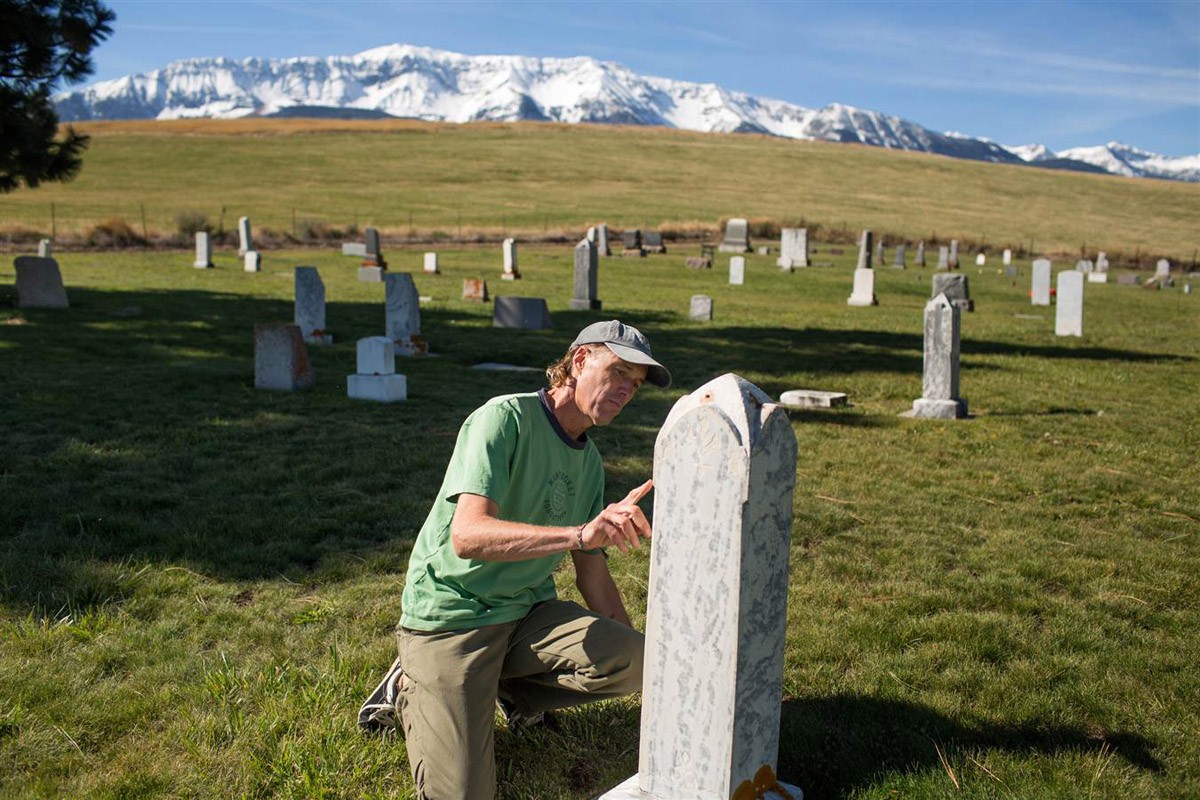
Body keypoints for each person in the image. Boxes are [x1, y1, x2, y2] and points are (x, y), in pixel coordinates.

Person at [358, 319, 672, 800]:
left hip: (526, 615)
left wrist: (647, 674)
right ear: (580, 360)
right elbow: (468, 535)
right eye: (618, 372)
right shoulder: (504, 418)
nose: (625, 391)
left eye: (634, 385)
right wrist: (578, 532)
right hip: (452, 619)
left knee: (640, 660)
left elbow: (593, 573)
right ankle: (409, 688)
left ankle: (507, 691)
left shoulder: (588, 462)